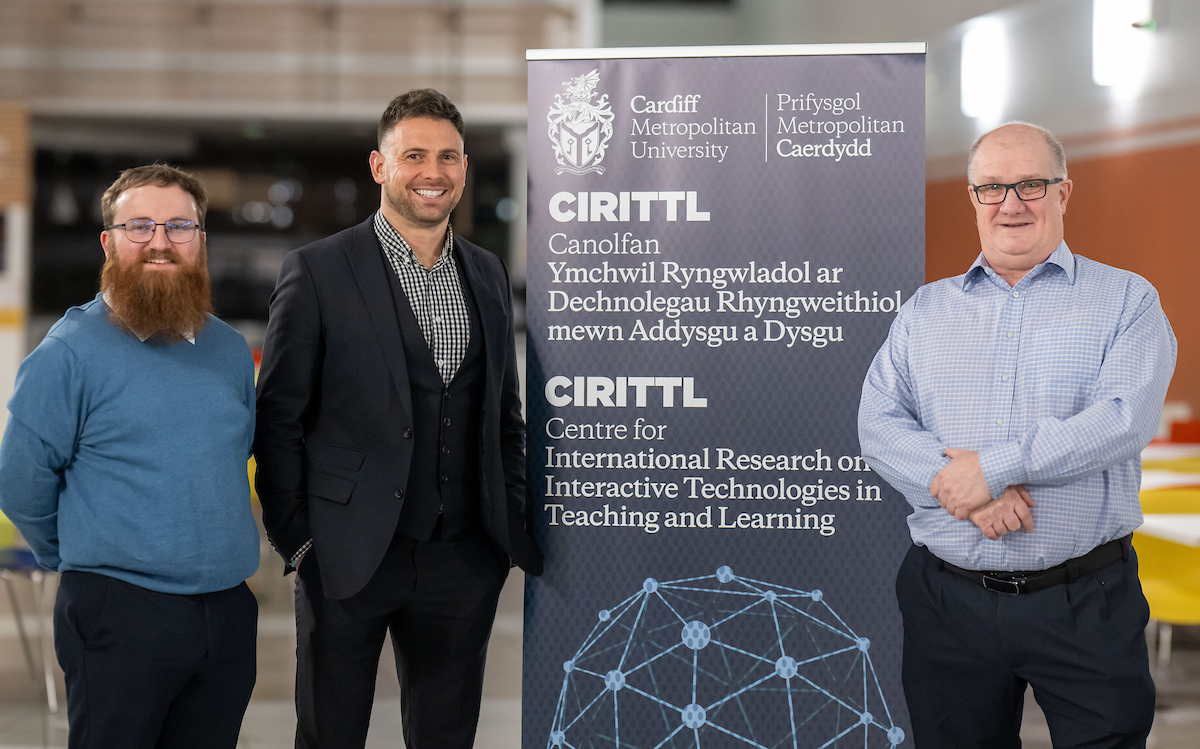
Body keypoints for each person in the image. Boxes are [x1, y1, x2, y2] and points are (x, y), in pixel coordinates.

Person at [859, 122, 1175, 748]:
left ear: (1064, 193)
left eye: (1031, 184)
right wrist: (970, 491)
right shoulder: (926, 310)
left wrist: (992, 467)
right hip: (947, 603)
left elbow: (1121, 420)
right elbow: (879, 423)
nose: (1011, 203)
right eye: (992, 188)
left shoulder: (1126, 301)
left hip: (1086, 601)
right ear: (973, 198)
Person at [254, 88, 542, 748]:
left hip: (464, 561)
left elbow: (505, 417)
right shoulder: (318, 270)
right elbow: (279, 417)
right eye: (413, 154)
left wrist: (503, 532)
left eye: (447, 156)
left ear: (465, 167)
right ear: (380, 166)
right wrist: (300, 540)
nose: (432, 171)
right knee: (329, 735)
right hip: (346, 556)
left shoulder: (489, 273)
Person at [0, 164, 259, 748]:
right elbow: (19, 479)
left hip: (226, 611)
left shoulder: (228, 350)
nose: (160, 242)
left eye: (179, 226)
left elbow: (229, 457)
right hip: (120, 611)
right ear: (109, 241)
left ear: (200, 240)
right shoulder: (68, 353)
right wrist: (80, 558)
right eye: (138, 226)